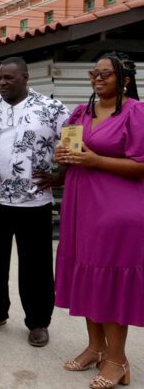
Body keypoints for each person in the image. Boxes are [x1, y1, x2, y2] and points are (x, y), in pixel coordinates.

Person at [0, 56, 69, 347]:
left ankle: (38, 322)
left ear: (25, 77)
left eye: (8, 78)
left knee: (35, 265)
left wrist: (60, 174)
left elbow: (74, 138)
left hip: (33, 202)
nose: (2, 83)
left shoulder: (50, 108)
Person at [54, 53, 143, 389]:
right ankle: (95, 348)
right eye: (95, 73)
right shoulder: (81, 113)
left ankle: (117, 360)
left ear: (123, 79)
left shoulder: (137, 114)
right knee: (87, 275)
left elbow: (141, 165)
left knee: (110, 283)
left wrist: (94, 160)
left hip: (118, 211)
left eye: (106, 74)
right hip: (82, 206)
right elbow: (69, 151)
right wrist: (64, 156)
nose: (98, 78)